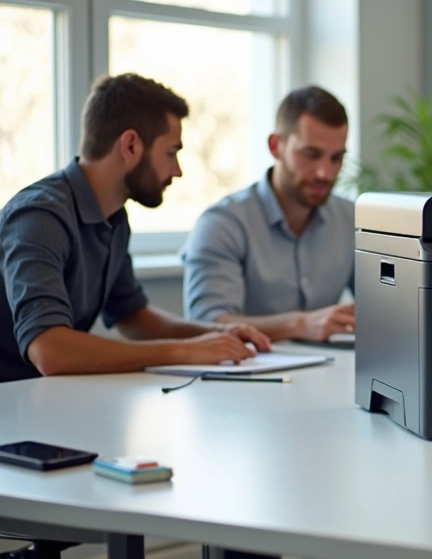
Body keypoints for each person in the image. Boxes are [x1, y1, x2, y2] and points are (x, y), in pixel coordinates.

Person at [0, 73, 271, 385]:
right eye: (171, 152)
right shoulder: (40, 216)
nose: (177, 170)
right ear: (130, 145)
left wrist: (216, 333)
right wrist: (182, 351)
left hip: (38, 400)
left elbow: (132, 317)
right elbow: (51, 351)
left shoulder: (113, 217)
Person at [181, 86, 355, 343]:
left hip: (333, 374)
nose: (325, 173)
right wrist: (299, 324)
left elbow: (385, 310)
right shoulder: (222, 224)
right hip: (246, 375)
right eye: (311, 154)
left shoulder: (351, 219)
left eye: (336, 158)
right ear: (276, 146)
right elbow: (207, 323)